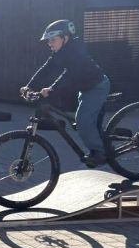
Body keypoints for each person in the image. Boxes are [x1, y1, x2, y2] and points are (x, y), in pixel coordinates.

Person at [21, 19, 111, 167]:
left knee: (82, 121)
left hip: (97, 87)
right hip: (84, 88)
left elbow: (69, 75)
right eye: (48, 40)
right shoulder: (60, 51)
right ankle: (97, 137)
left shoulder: (77, 53)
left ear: (65, 37)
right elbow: (46, 68)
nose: (49, 43)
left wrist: (51, 89)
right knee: (84, 122)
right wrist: (28, 86)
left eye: (53, 39)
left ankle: (99, 152)